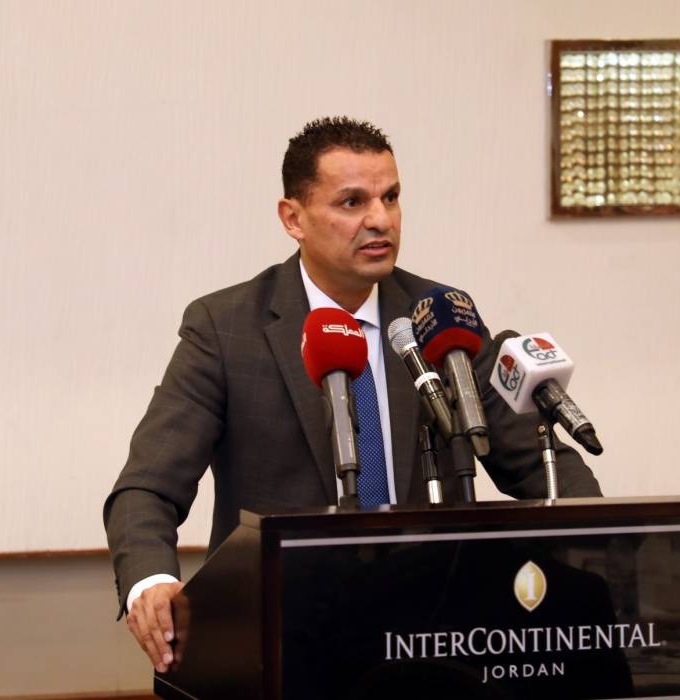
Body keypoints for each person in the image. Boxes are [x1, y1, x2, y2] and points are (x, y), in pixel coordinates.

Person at [103, 117, 602, 673]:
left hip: (433, 635)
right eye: (352, 202)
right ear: (293, 218)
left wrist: (603, 543)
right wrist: (151, 580)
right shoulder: (226, 328)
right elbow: (147, 486)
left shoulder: (440, 318)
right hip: (283, 630)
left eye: (391, 197)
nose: (380, 219)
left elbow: (535, 463)